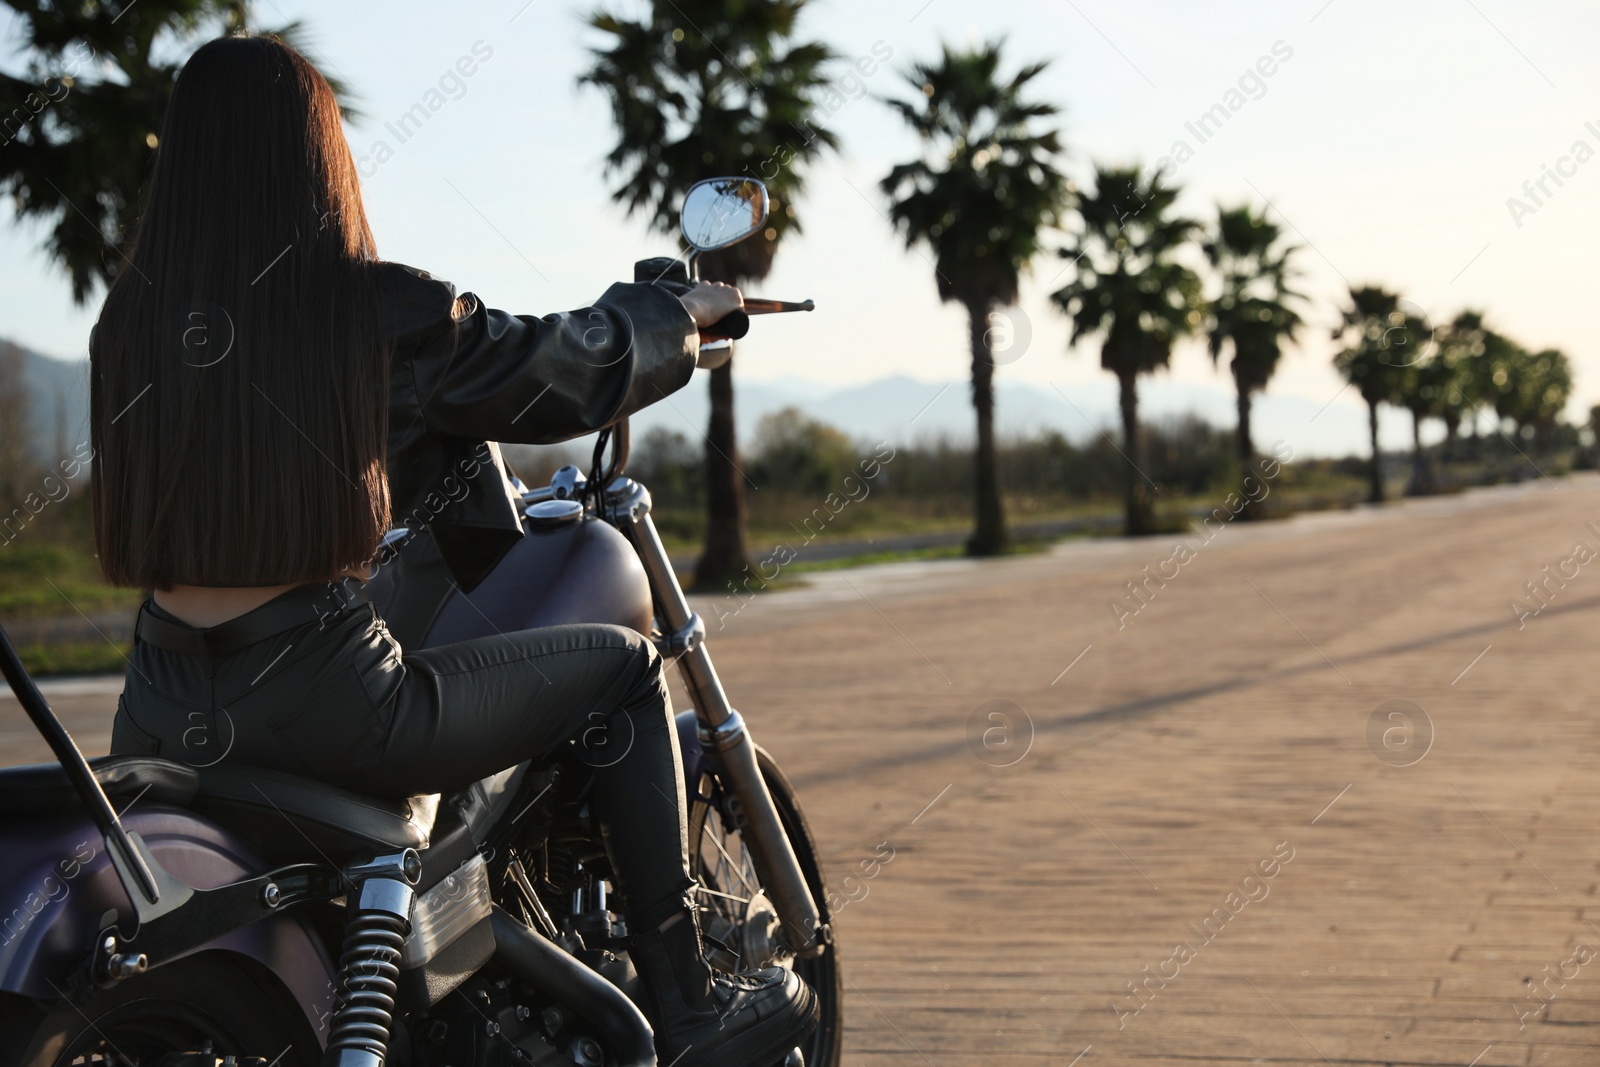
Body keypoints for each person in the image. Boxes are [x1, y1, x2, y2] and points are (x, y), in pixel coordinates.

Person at [92, 34, 815, 1067]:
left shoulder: (130, 326)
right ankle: (692, 1009)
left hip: (158, 706)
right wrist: (670, 316)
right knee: (618, 667)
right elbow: (554, 365)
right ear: (313, 159)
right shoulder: (368, 310)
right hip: (332, 707)